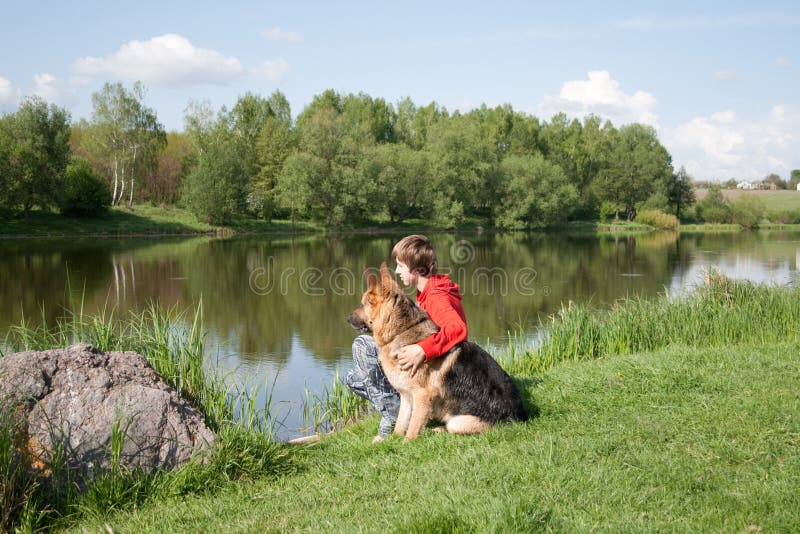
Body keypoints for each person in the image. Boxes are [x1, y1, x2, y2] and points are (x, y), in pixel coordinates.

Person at [345, 234, 468, 443]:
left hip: (435, 368)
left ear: (418, 270)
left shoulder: (436, 296)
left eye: (401, 266)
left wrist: (423, 350)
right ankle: (397, 405)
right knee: (355, 376)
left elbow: (457, 329)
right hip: (434, 368)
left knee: (362, 351)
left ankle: (392, 408)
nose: (398, 271)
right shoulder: (430, 291)